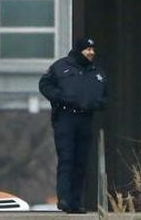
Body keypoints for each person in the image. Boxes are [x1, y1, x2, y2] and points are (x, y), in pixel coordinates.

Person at [39, 37, 107, 214]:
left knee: (81, 162)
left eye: (93, 49)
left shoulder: (96, 72)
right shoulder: (61, 67)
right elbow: (44, 84)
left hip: (85, 119)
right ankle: (65, 199)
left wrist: (97, 103)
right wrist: (60, 98)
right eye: (87, 49)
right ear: (79, 50)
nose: (91, 52)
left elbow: (104, 95)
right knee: (67, 159)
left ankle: (76, 202)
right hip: (65, 119)